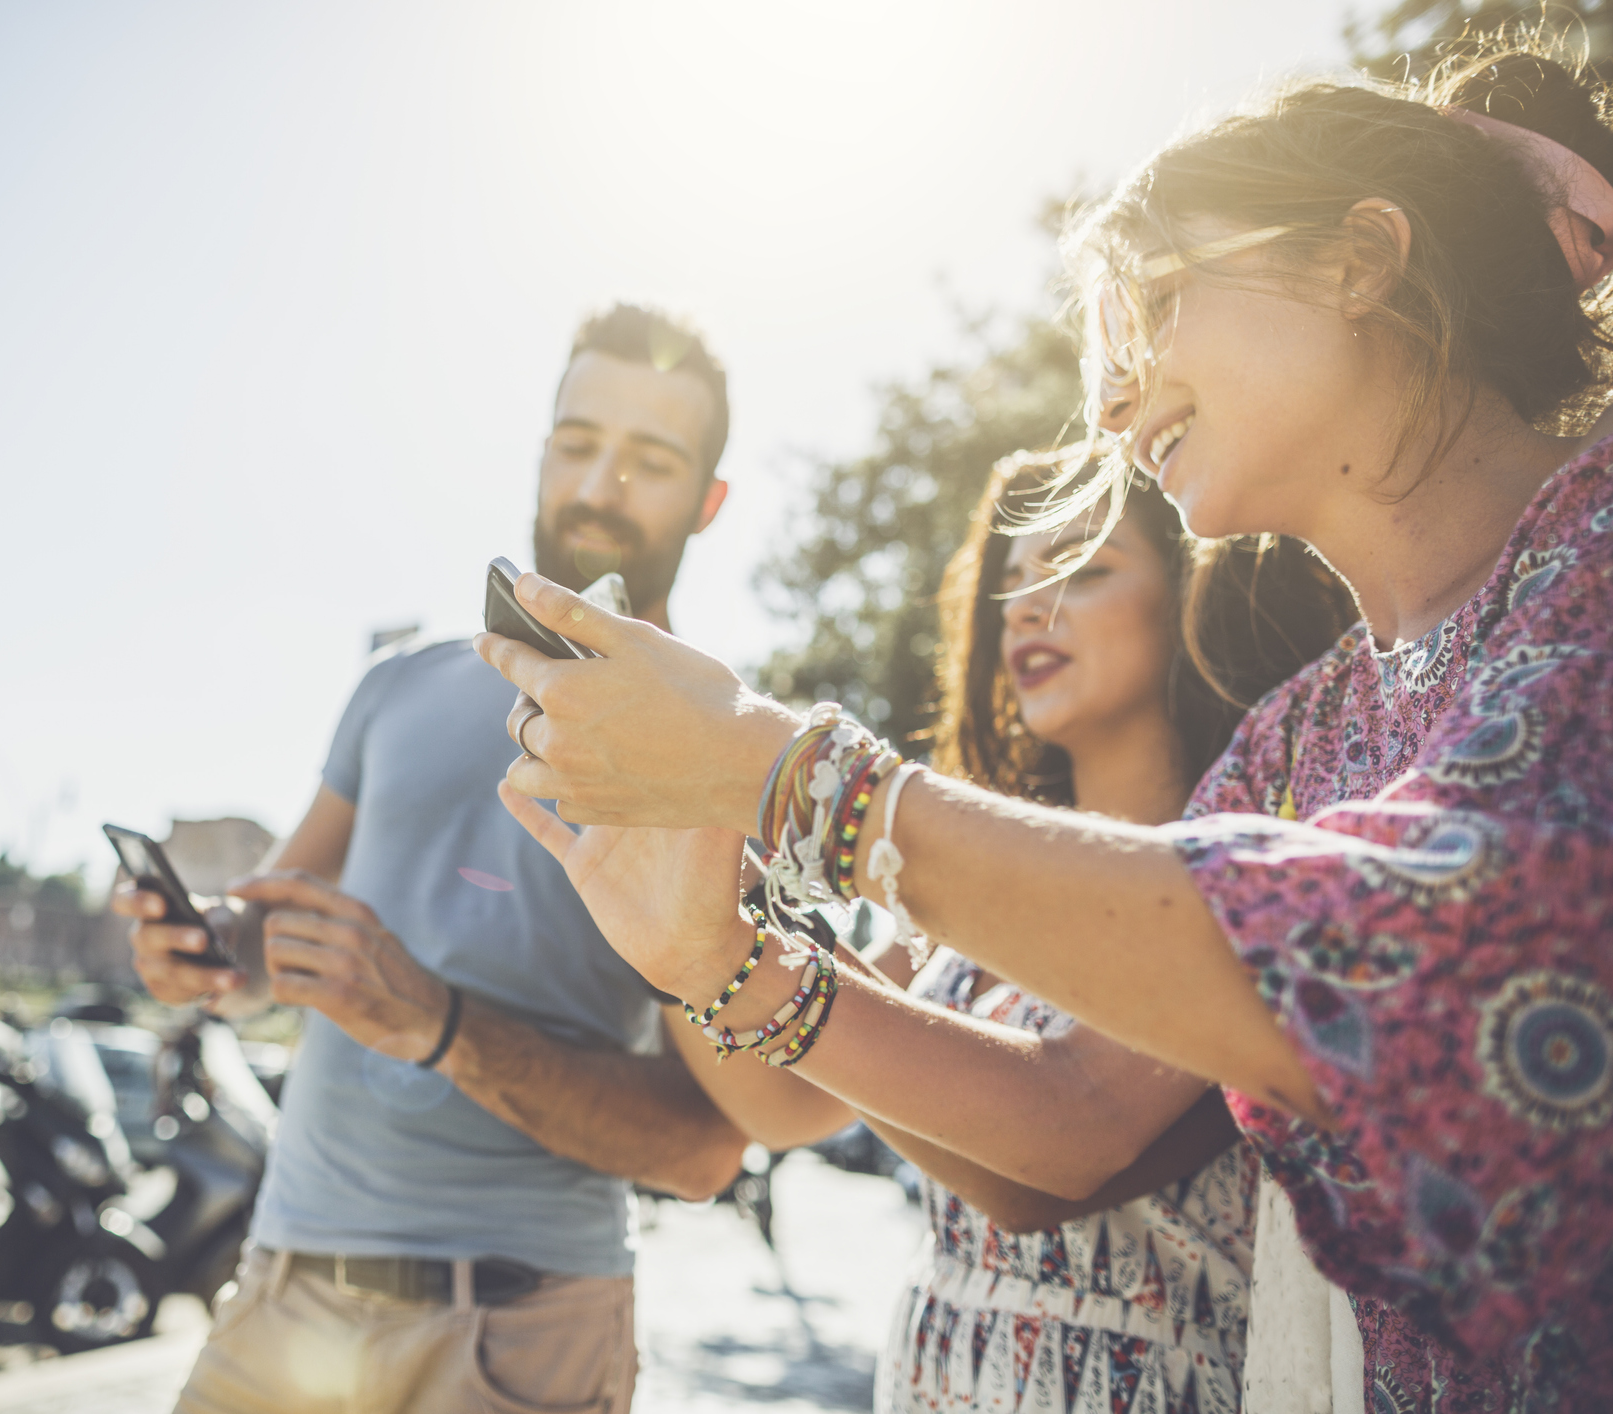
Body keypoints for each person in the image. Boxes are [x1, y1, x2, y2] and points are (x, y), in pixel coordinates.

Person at [475, 43, 1613, 1412]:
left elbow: (1426, 961)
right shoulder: (1300, 739)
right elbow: (1070, 1116)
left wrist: (775, 768)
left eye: (1159, 306)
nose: (1118, 403)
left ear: (1357, 259)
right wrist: (714, 950)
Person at [122, 304, 749, 1414]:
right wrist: (201, 948)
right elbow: (269, 922)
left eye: (650, 461)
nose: (600, 485)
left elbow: (704, 1153)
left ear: (707, 504)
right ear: (541, 454)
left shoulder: (724, 752)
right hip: (280, 1300)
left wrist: (438, 1022)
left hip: (519, 1335)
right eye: (577, 442)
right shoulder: (399, 686)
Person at [657, 457, 1348, 1412]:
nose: (1026, 607)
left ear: (1198, 586)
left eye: (1082, 568)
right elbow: (781, 1112)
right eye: (1014, 581)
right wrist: (686, 898)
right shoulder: (961, 901)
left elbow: (1049, 1160)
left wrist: (726, 940)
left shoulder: (1239, 869)